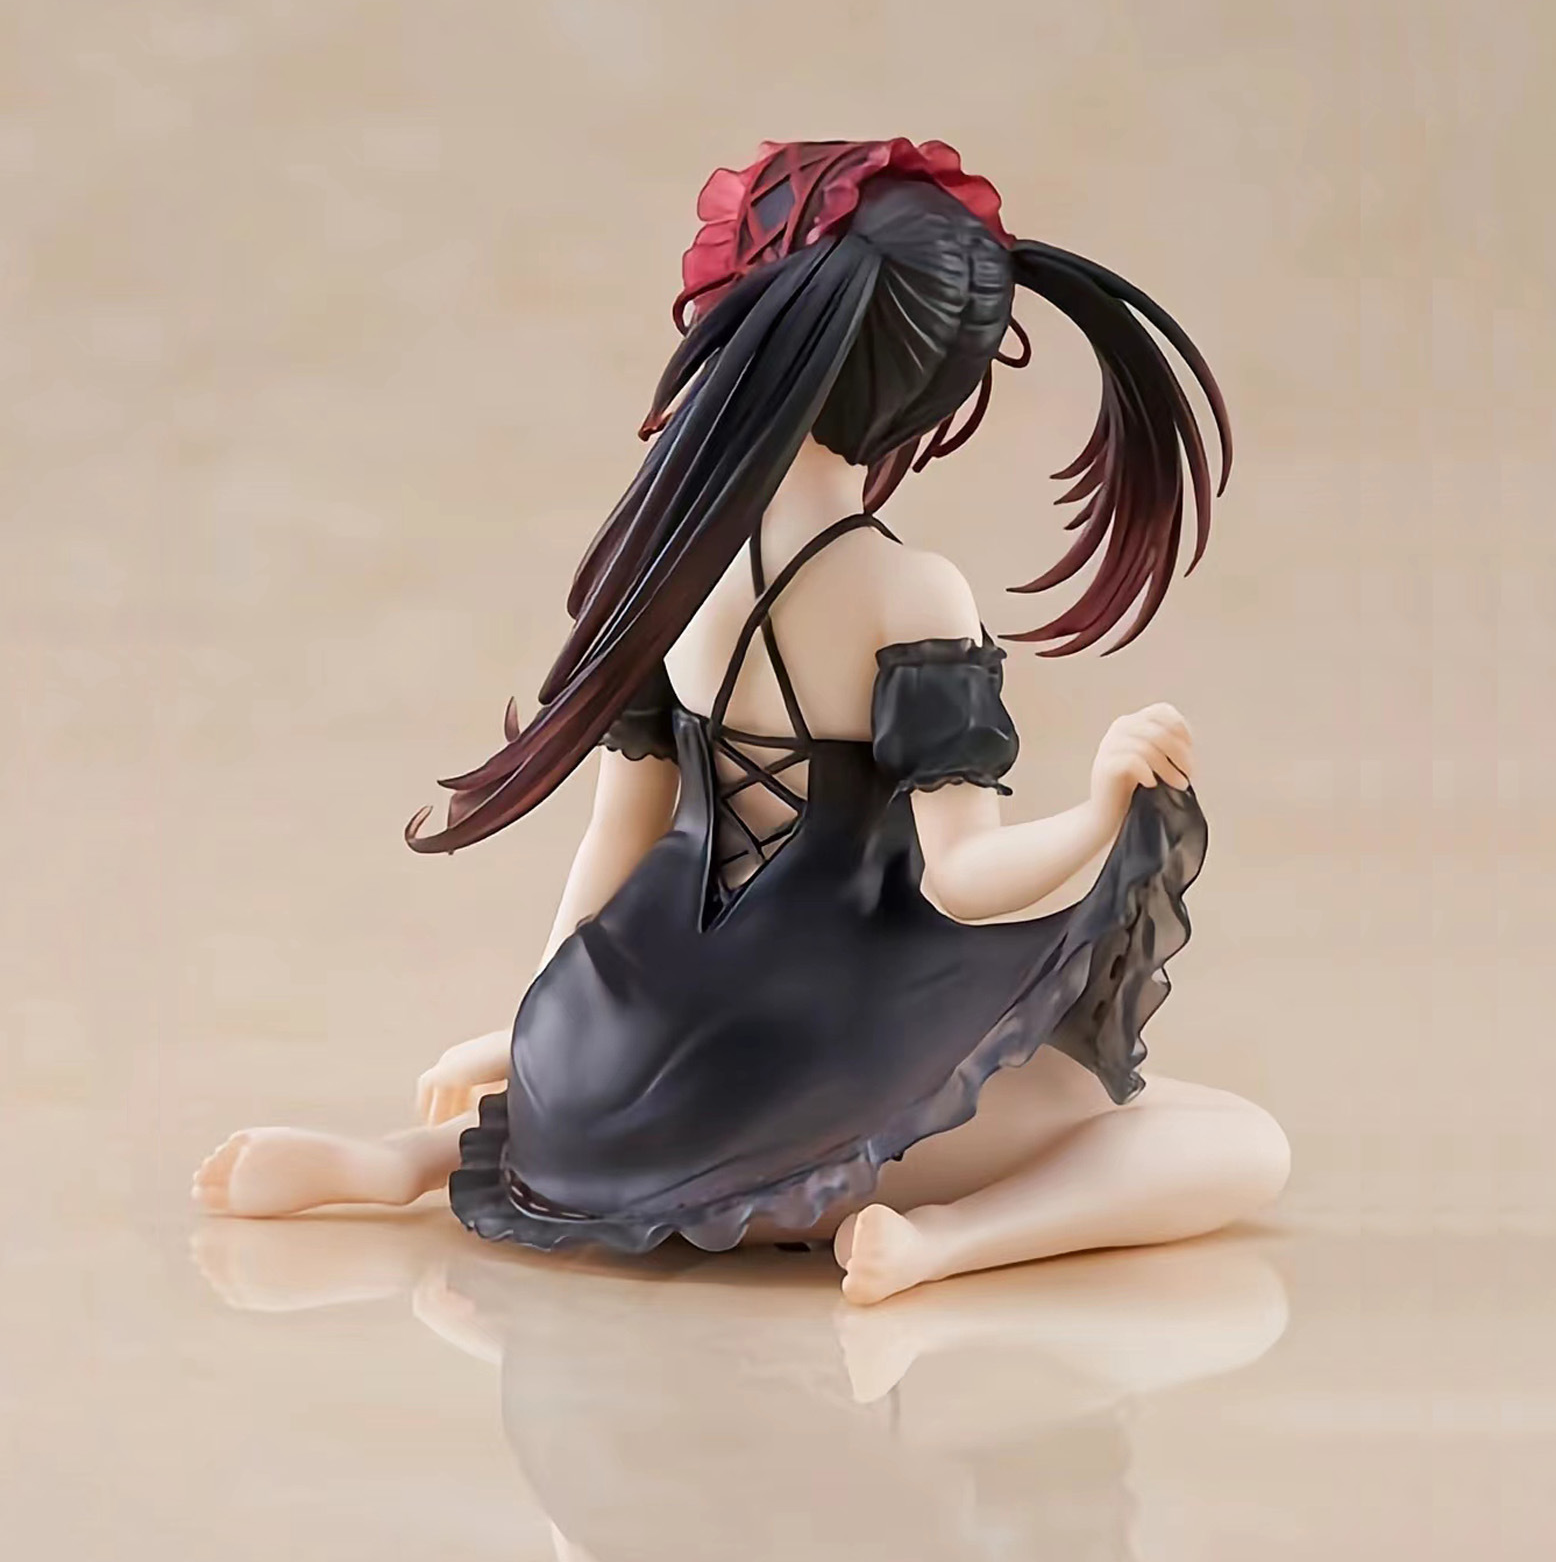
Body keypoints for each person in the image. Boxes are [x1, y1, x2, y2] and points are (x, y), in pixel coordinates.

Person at [195, 139, 1290, 1305]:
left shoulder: (665, 563)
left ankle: (405, 1161)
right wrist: (1105, 807)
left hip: (611, 1064)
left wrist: (533, 1035)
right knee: (1235, 1142)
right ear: (927, 385)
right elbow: (965, 879)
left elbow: (617, 837)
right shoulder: (907, 591)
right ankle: (941, 1241)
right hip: (813, 1065)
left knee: (632, 1120)